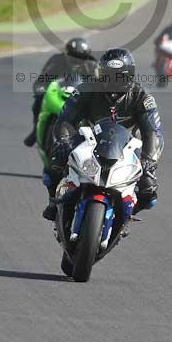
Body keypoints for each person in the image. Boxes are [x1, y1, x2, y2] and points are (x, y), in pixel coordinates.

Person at [42, 47, 164, 221]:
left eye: (119, 76)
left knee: (149, 194)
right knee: (52, 168)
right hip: (88, 140)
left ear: (130, 75)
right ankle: (54, 203)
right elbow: (65, 120)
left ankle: (125, 217)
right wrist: (63, 141)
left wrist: (149, 160)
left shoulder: (143, 97)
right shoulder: (85, 90)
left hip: (127, 147)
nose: (112, 81)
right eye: (107, 75)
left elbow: (153, 132)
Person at [23, 37, 96, 147]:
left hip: (80, 97)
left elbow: (98, 84)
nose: (77, 61)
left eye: (81, 58)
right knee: (38, 100)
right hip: (58, 93)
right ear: (66, 54)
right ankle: (35, 131)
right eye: (74, 57)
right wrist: (41, 89)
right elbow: (42, 78)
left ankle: (95, 137)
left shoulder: (92, 65)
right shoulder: (56, 61)